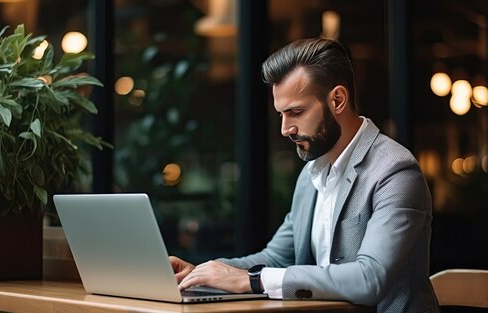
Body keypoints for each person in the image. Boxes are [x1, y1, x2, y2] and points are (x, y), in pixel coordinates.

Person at [170, 38, 440, 312]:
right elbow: (276, 257)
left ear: (337, 100)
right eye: (281, 115)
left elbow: (369, 279)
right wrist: (203, 273)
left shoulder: (395, 171)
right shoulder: (311, 173)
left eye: (296, 112)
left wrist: (252, 281)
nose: (285, 129)